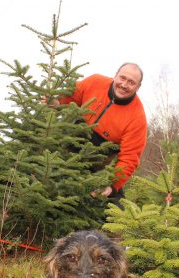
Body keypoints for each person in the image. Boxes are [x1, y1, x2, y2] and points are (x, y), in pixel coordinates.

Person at [56, 63, 148, 200]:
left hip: (99, 164)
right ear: (115, 75)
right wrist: (56, 102)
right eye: (122, 78)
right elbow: (69, 97)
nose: (124, 85)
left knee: (115, 204)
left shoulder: (138, 118)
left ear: (138, 87)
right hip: (69, 142)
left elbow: (129, 158)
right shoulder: (95, 82)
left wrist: (111, 185)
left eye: (131, 82)